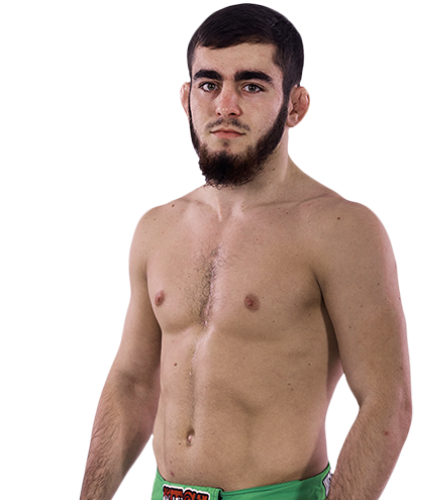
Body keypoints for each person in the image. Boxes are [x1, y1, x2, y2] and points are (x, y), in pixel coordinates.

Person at [79, 4, 413, 500]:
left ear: (296, 106)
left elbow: (389, 402)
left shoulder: (342, 229)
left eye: (252, 86)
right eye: (209, 84)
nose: (226, 105)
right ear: (185, 98)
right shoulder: (156, 227)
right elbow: (131, 383)